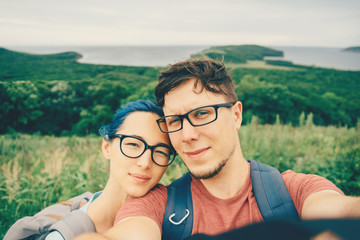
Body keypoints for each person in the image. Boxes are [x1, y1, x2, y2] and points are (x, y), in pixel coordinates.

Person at [75, 59, 360, 240]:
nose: (187, 135)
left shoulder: (293, 191)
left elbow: (341, 212)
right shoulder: (158, 204)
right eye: (174, 121)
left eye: (201, 114)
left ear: (236, 115)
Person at [4, 100, 176, 240]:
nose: (145, 162)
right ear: (107, 147)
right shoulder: (63, 234)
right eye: (132, 144)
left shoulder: (175, 217)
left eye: (161, 151)